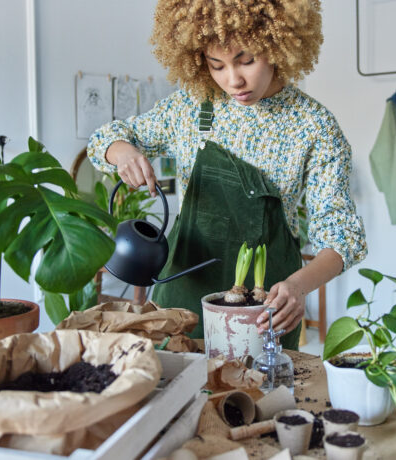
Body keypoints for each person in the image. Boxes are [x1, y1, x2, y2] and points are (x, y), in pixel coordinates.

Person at [87, 0, 366, 350]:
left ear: (279, 44)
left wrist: (298, 286)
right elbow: (105, 140)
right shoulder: (193, 106)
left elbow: (343, 238)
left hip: (265, 308)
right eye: (216, 65)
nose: (233, 80)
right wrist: (123, 152)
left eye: (247, 60)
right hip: (183, 298)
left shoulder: (313, 127)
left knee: (258, 400)